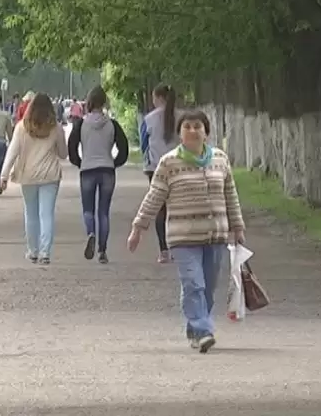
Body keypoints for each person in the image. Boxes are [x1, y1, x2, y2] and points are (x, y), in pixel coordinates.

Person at [127, 110, 246, 353]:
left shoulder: (220, 159)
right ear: (180, 134)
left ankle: (195, 328)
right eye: (187, 127)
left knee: (208, 287)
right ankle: (203, 330)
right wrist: (138, 227)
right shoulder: (169, 163)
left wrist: (238, 226)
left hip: (216, 235)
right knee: (194, 283)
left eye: (197, 126)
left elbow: (230, 195)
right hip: (183, 237)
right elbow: (154, 196)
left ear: (206, 132)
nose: (193, 130)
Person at [0, 93, 67, 265]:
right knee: (47, 214)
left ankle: (33, 251)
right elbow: (63, 154)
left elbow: (12, 152)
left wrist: (4, 174)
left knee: (31, 214)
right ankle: (45, 252)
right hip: (50, 176)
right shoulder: (56, 128)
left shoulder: (22, 127)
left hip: (28, 175)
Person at [67, 85, 129, 263]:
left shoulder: (81, 124)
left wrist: (79, 162)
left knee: (88, 210)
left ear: (89, 102)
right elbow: (123, 148)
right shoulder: (112, 124)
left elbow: (72, 148)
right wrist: (114, 163)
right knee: (103, 212)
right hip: (107, 170)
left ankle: (91, 233)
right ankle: (102, 250)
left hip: (87, 170)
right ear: (104, 102)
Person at [139, 83, 180, 263]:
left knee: (160, 209)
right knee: (178, 209)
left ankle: (163, 251)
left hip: (155, 168)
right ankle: (180, 248)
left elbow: (143, 145)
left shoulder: (148, 119)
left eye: (154, 98)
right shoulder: (182, 118)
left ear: (159, 98)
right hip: (179, 168)